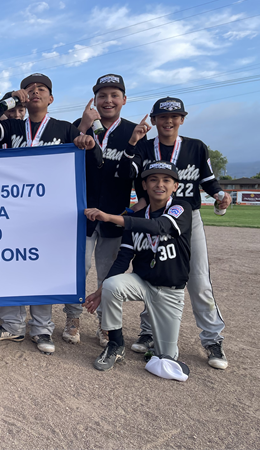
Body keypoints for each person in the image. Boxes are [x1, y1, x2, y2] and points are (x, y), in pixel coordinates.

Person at [0, 73, 102, 355]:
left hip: (50, 213)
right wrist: (8, 100)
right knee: (12, 263)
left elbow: (96, 162)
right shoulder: (12, 127)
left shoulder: (65, 128)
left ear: (51, 98)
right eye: (29, 89)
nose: (35, 92)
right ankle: (11, 326)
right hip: (13, 211)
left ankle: (42, 329)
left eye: (41, 89)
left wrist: (89, 139)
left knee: (43, 268)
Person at [120, 96, 232, 370]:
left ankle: (212, 339)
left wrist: (219, 194)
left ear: (182, 119)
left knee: (199, 281)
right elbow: (132, 178)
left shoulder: (195, 147)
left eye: (174, 116)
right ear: (154, 119)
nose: (168, 121)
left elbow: (208, 180)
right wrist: (133, 142)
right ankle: (148, 332)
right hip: (153, 218)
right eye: (162, 117)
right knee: (154, 275)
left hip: (187, 218)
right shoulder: (146, 148)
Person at [62, 73, 151, 347]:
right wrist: (84, 128)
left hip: (115, 216)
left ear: (124, 100)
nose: (108, 101)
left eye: (114, 95)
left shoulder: (135, 133)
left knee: (109, 274)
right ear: (94, 100)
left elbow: (142, 182)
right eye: (102, 96)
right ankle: (72, 318)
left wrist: (133, 213)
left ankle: (106, 324)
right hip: (80, 214)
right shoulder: (80, 128)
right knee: (77, 269)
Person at [82, 160, 192, 377]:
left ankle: (159, 346)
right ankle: (115, 344)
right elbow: (123, 259)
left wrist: (112, 218)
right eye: (153, 179)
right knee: (112, 285)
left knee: (166, 358)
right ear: (144, 185)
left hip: (170, 290)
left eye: (166, 180)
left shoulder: (181, 208)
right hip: (142, 282)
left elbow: (160, 226)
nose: (159, 184)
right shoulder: (136, 217)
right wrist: (100, 291)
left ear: (175, 186)